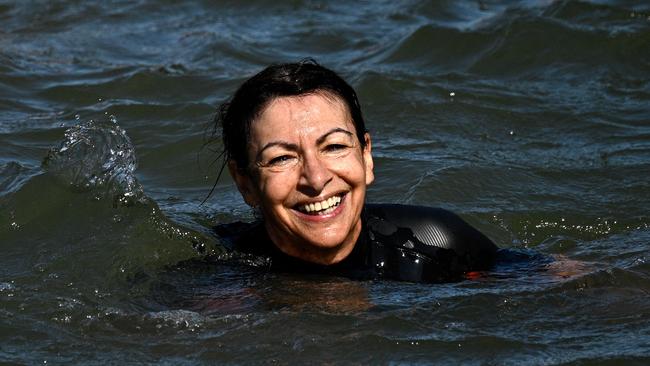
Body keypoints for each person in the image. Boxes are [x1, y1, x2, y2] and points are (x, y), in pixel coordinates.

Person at [211, 60, 498, 283]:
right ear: (245, 182)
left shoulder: (438, 244)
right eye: (282, 158)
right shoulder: (221, 279)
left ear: (366, 156)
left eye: (334, 146)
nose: (316, 178)